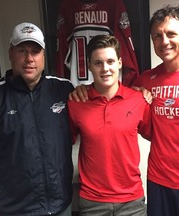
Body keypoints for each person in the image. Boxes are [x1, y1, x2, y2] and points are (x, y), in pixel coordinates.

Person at [70, 5, 179, 216]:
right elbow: (113, 97)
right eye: (157, 36)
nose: (164, 41)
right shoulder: (145, 81)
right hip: (158, 183)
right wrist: (82, 89)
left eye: (171, 34)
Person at [0, 22, 74, 216]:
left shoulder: (64, 90)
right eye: (22, 50)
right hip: (16, 209)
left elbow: (99, 105)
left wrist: (138, 91)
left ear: (43, 55)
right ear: (10, 53)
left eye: (35, 51)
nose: (29, 58)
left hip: (61, 205)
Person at [67, 35, 151, 216]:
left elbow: (160, 138)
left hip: (132, 201)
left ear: (120, 63)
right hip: (92, 202)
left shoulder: (138, 100)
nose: (105, 68)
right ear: (89, 65)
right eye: (98, 63)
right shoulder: (76, 102)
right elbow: (61, 144)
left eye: (110, 61)